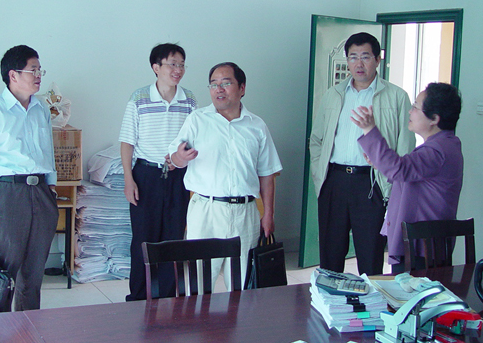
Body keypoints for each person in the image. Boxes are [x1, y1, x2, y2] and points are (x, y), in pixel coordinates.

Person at [309, 32, 415, 276]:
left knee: (370, 254)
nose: (359, 63)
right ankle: (331, 297)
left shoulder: (397, 97)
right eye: (353, 57)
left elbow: (405, 147)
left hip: (371, 182)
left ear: (377, 60)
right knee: (330, 253)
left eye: (365, 57)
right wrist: (319, 174)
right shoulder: (334, 94)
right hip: (334, 180)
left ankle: (370, 298)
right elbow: (316, 140)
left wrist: (391, 185)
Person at [169, 62, 282, 290]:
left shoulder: (257, 126)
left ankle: (238, 316)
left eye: (226, 83)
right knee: (199, 283)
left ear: (242, 88)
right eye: (213, 84)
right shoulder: (197, 120)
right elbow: (174, 159)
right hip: (206, 211)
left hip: (245, 212)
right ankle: (200, 315)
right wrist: (180, 157)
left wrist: (268, 214)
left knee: (243, 284)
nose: (218, 89)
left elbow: (267, 174)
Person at [0, 45, 58, 311]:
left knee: (34, 273)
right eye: (33, 70)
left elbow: (48, 154)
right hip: (7, 194)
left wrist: (51, 190)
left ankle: (28, 327)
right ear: (13, 75)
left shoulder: (41, 110)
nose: (38, 75)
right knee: (3, 275)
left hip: (40, 192)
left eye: (40, 70)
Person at [351, 82, 464, 273]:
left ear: (434, 119)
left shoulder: (437, 150)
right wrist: (380, 163)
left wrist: (369, 129)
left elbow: (400, 169)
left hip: (421, 248)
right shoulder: (446, 144)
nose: (410, 112)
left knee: (405, 291)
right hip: (424, 244)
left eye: (416, 107)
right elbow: (409, 172)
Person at [119, 43, 197, 301]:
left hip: (178, 177)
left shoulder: (189, 100)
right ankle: (138, 296)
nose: (178, 70)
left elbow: (194, 139)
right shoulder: (139, 98)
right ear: (156, 67)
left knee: (174, 238)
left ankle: (167, 298)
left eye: (181, 65)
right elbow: (127, 141)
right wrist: (128, 179)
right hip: (146, 176)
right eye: (172, 64)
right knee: (143, 238)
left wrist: (181, 161)